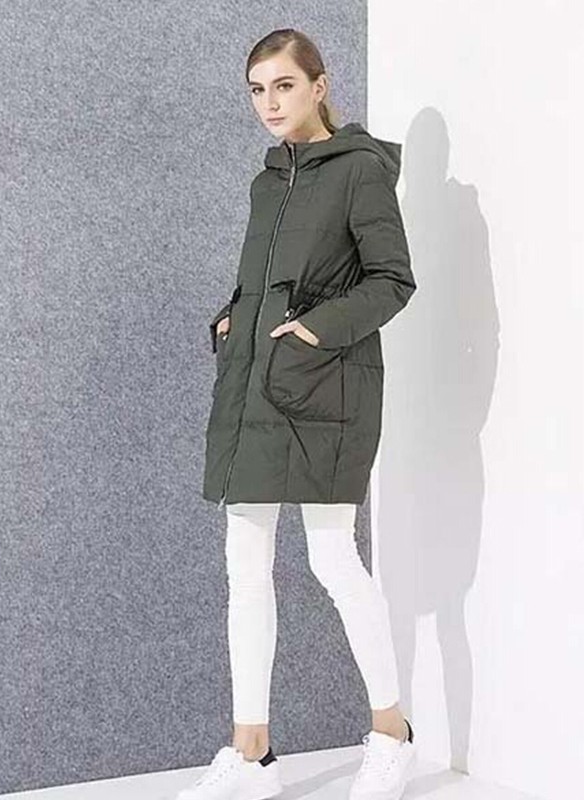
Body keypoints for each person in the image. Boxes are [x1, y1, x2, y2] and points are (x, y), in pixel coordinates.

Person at [180, 28, 418, 800]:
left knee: (332, 559)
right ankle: (251, 752)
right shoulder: (268, 179)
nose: (269, 103)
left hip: (328, 391)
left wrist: (314, 330)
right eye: (257, 90)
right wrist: (233, 316)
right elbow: (264, 279)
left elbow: (391, 280)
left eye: (283, 85)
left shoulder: (359, 171)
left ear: (319, 85)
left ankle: (391, 733)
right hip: (257, 386)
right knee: (244, 566)